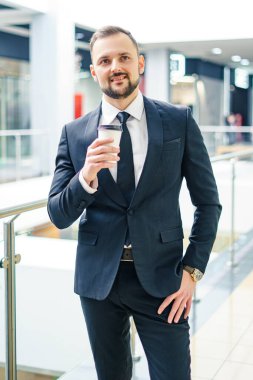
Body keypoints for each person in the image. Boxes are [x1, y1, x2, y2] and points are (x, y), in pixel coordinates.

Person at [48, 26, 222, 380]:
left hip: (164, 279)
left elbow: (209, 202)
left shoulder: (178, 121)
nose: (116, 65)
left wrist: (192, 271)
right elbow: (58, 214)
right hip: (99, 283)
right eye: (105, 60)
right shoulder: (75, 133)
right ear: (94, 70)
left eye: (124, 57)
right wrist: (86, 177)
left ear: (140, 63)